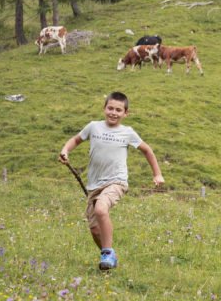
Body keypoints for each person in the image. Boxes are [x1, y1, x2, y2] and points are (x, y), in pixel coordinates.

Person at [58, 92, 164, 271]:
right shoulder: (93, 127)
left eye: (118, 110)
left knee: (101, 208)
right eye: (110, 108)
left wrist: (157, 174)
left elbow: (147, 150)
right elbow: (75, 140)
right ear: (104, 109)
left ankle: (107, 252)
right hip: (94, 184)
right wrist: (65, 151)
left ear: (126, 113)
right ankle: (109, 257)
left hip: (116, 182)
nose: (114, 113)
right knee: (94, 230)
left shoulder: (127, 132)